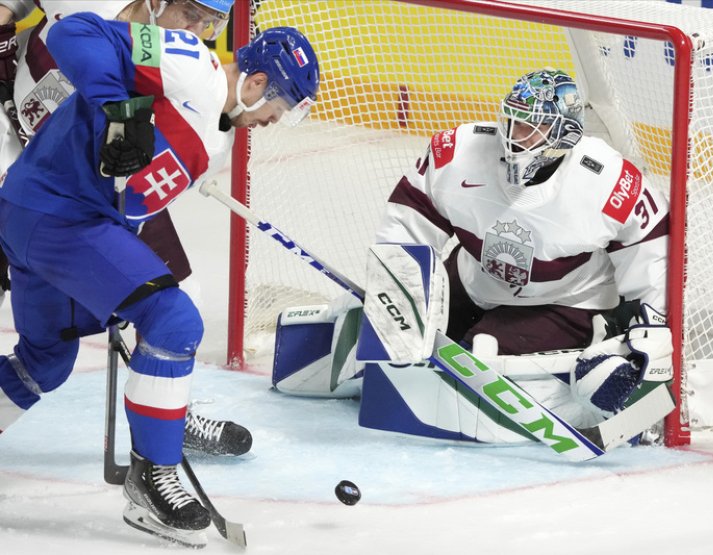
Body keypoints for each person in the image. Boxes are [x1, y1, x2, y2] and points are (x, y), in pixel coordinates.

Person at [0, 11, 319, 546]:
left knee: (46, 361)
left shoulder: (213, 143)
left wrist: (119, 288)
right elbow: (76, 31)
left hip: (53, 219)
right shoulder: (191, 63)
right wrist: (116, 109)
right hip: (57, 214)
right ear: (258, 82)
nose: (271, 120)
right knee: (173, 320)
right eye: (278, 109)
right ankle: (152, 480)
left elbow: (130, 198)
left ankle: (159, 420)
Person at [272, 69, 672, 443]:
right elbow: (408, 223)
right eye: (511, 122)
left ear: (562, 136)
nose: (514, 137)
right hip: (474, 275)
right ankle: (361, 364)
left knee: (477, 349)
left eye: (529, 129)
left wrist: (647, 333)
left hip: (563, 300)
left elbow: (652, 249)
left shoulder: (607, 181)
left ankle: (579, 391)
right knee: (395, 330)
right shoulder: (458, 151)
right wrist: (394, 291)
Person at [0, 0, 253, 457]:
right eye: (192, 14)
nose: (200, 29)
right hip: (24, 163)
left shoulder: (175, 56)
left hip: (103, 186)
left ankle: (170, 408)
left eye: (212, 22)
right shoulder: (87, 4)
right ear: (159, 2)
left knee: (171, 299)